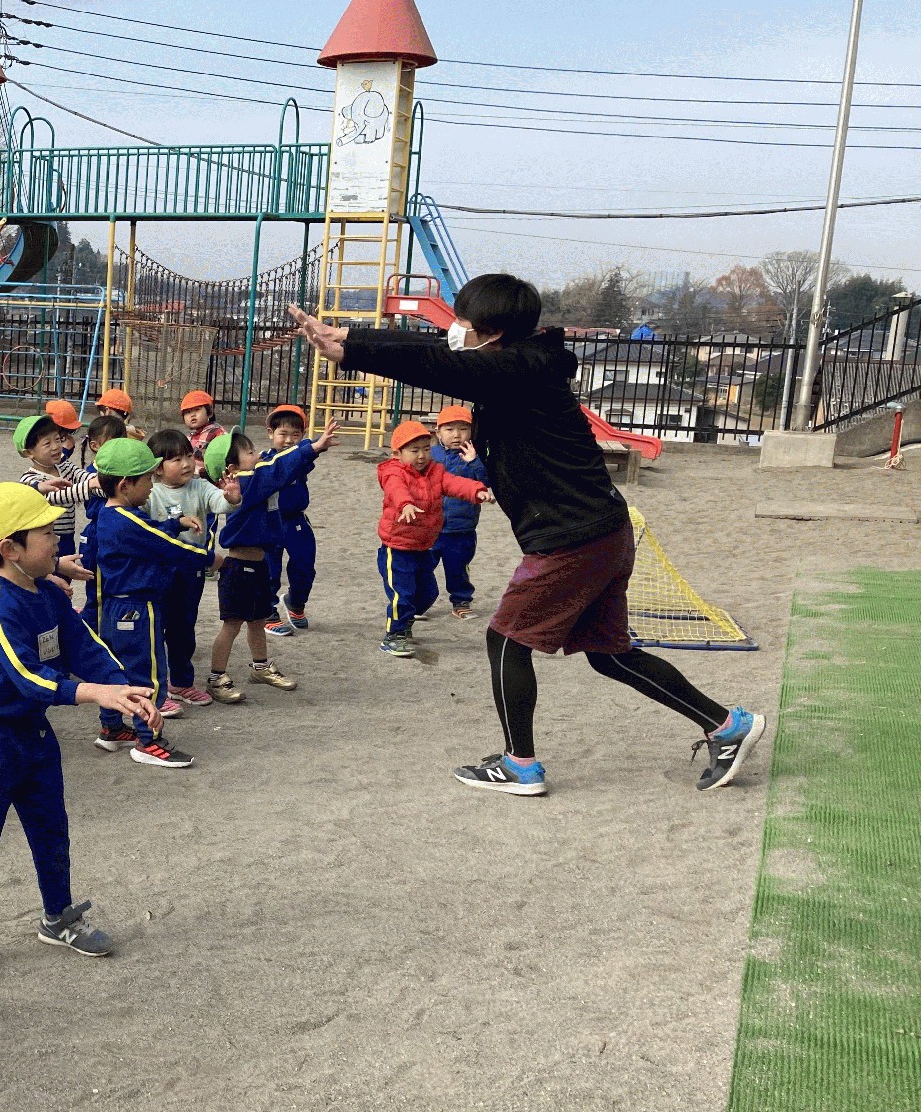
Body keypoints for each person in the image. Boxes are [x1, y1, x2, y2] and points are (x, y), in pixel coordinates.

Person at [289, 275, 766, 794]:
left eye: (464, 322)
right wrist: (348, 337)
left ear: (491, 332)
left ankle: (520, 765)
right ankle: (727, 726)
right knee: (608, 653)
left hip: (571, 539)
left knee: (505, 639)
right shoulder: (524, 361)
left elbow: (437, 364)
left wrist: (353, 351)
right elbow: (437, 350)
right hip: (601, 532)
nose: (455, 330)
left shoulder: (516, 371)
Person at [0, 482, 154, 983]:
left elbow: (84, 647)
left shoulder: (48, 594)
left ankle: (58, 916)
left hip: (33, 736)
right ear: (10, 549)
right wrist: (95, 694)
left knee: (51, 829)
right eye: (46, 534)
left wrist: (125, 688)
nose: (57, 540)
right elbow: (29, 677)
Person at [86, 437, 220, 768]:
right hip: (138, 606)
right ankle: (149, 740)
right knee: (148, 673)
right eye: (147, 479)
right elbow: (166, 546)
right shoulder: (127, 520)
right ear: (124, 485)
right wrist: (210, 559)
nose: (151, 485)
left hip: (114, 607)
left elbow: (151, 531)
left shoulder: (109, 515)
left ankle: (112, 727)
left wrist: (175, 522)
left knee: (116, 669)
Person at [206, 421, 331, 701]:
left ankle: (260, 667)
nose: (258, 454)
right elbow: (277, 469)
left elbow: (287, 471)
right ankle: (216, 677)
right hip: (239, 569)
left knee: (257, 621)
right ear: (232, 469)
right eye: (250, 452)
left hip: (258, 565)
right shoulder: (246, 484)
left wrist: (312, 452)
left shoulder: (255, 480)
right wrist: (310, 447)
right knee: (232, 625)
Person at [374, 421, 491, 658]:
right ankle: (393, 636)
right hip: (397, 548)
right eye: (414, 450)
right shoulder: (393, 471)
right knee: (402, 595)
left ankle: (405, 622)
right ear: (397, 454)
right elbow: (396, 489)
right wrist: (406, 504)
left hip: (423, 546)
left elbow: (454, 483)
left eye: (426, 449)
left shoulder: (435, 471)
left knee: (428, 593)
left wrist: (476, 491)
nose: (421, 456)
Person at [146, 428, 232, 709]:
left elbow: (219, 502)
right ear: (157, 468)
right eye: (176, 459)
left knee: (183, 628)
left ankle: (181, 683)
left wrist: (231, 497)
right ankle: (153, 689)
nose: (186, 464)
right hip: (157, 572)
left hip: (191, 572)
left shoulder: (199, 486)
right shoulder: (149, 492)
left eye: (188, 456)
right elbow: (142, 528)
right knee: (153, 629)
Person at [255, 405, 322, 639]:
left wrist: (317, 445)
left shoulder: (300, 457)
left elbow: (308, 451)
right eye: (282, 434)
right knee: (269, 570)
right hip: (271, 522)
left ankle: (296, 602)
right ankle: (268, 611)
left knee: (305, 566)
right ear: (270, 433)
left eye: (295, 434)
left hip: (296, 521)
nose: (288, 440)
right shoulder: (265, 459)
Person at [14, 410, 98, 558]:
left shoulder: (65, 466)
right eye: (47, 443)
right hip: (45, 539)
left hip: (68, 537)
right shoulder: (29, 479)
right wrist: (91, 485)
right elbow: (57, 496)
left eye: (58, 439)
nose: (56, 446)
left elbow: (84, 476)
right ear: (29, 453)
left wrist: (105, 483)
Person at [430, 405, 487, 618]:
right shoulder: (431, 455)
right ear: (438, 433)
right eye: (449, 429)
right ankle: (417, 603)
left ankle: (461, 601)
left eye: (463, 429)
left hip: (461, 527)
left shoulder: (475, 455)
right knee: (422, 567)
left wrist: (474, 462)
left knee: (458, 568)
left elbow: (486, 481)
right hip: (431, 526)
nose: (456, 435)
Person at [181, 390, 225, 456]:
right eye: (187, 412)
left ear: (209, 413)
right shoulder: (189, 437)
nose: (192, 415)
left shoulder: (218, 433)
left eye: (197, 409)